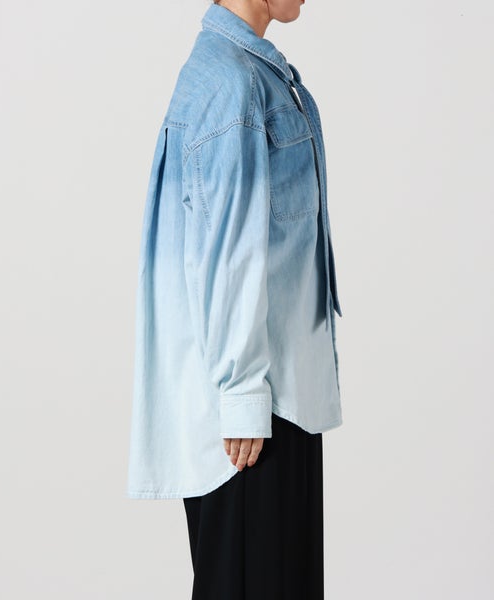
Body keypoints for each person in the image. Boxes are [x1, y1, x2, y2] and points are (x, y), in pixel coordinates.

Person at [126, 0, 344, 597]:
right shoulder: (233, 85)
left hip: (272, 399)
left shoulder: (245, 74)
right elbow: (227, 254)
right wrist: (243, 394)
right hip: (255, 414)